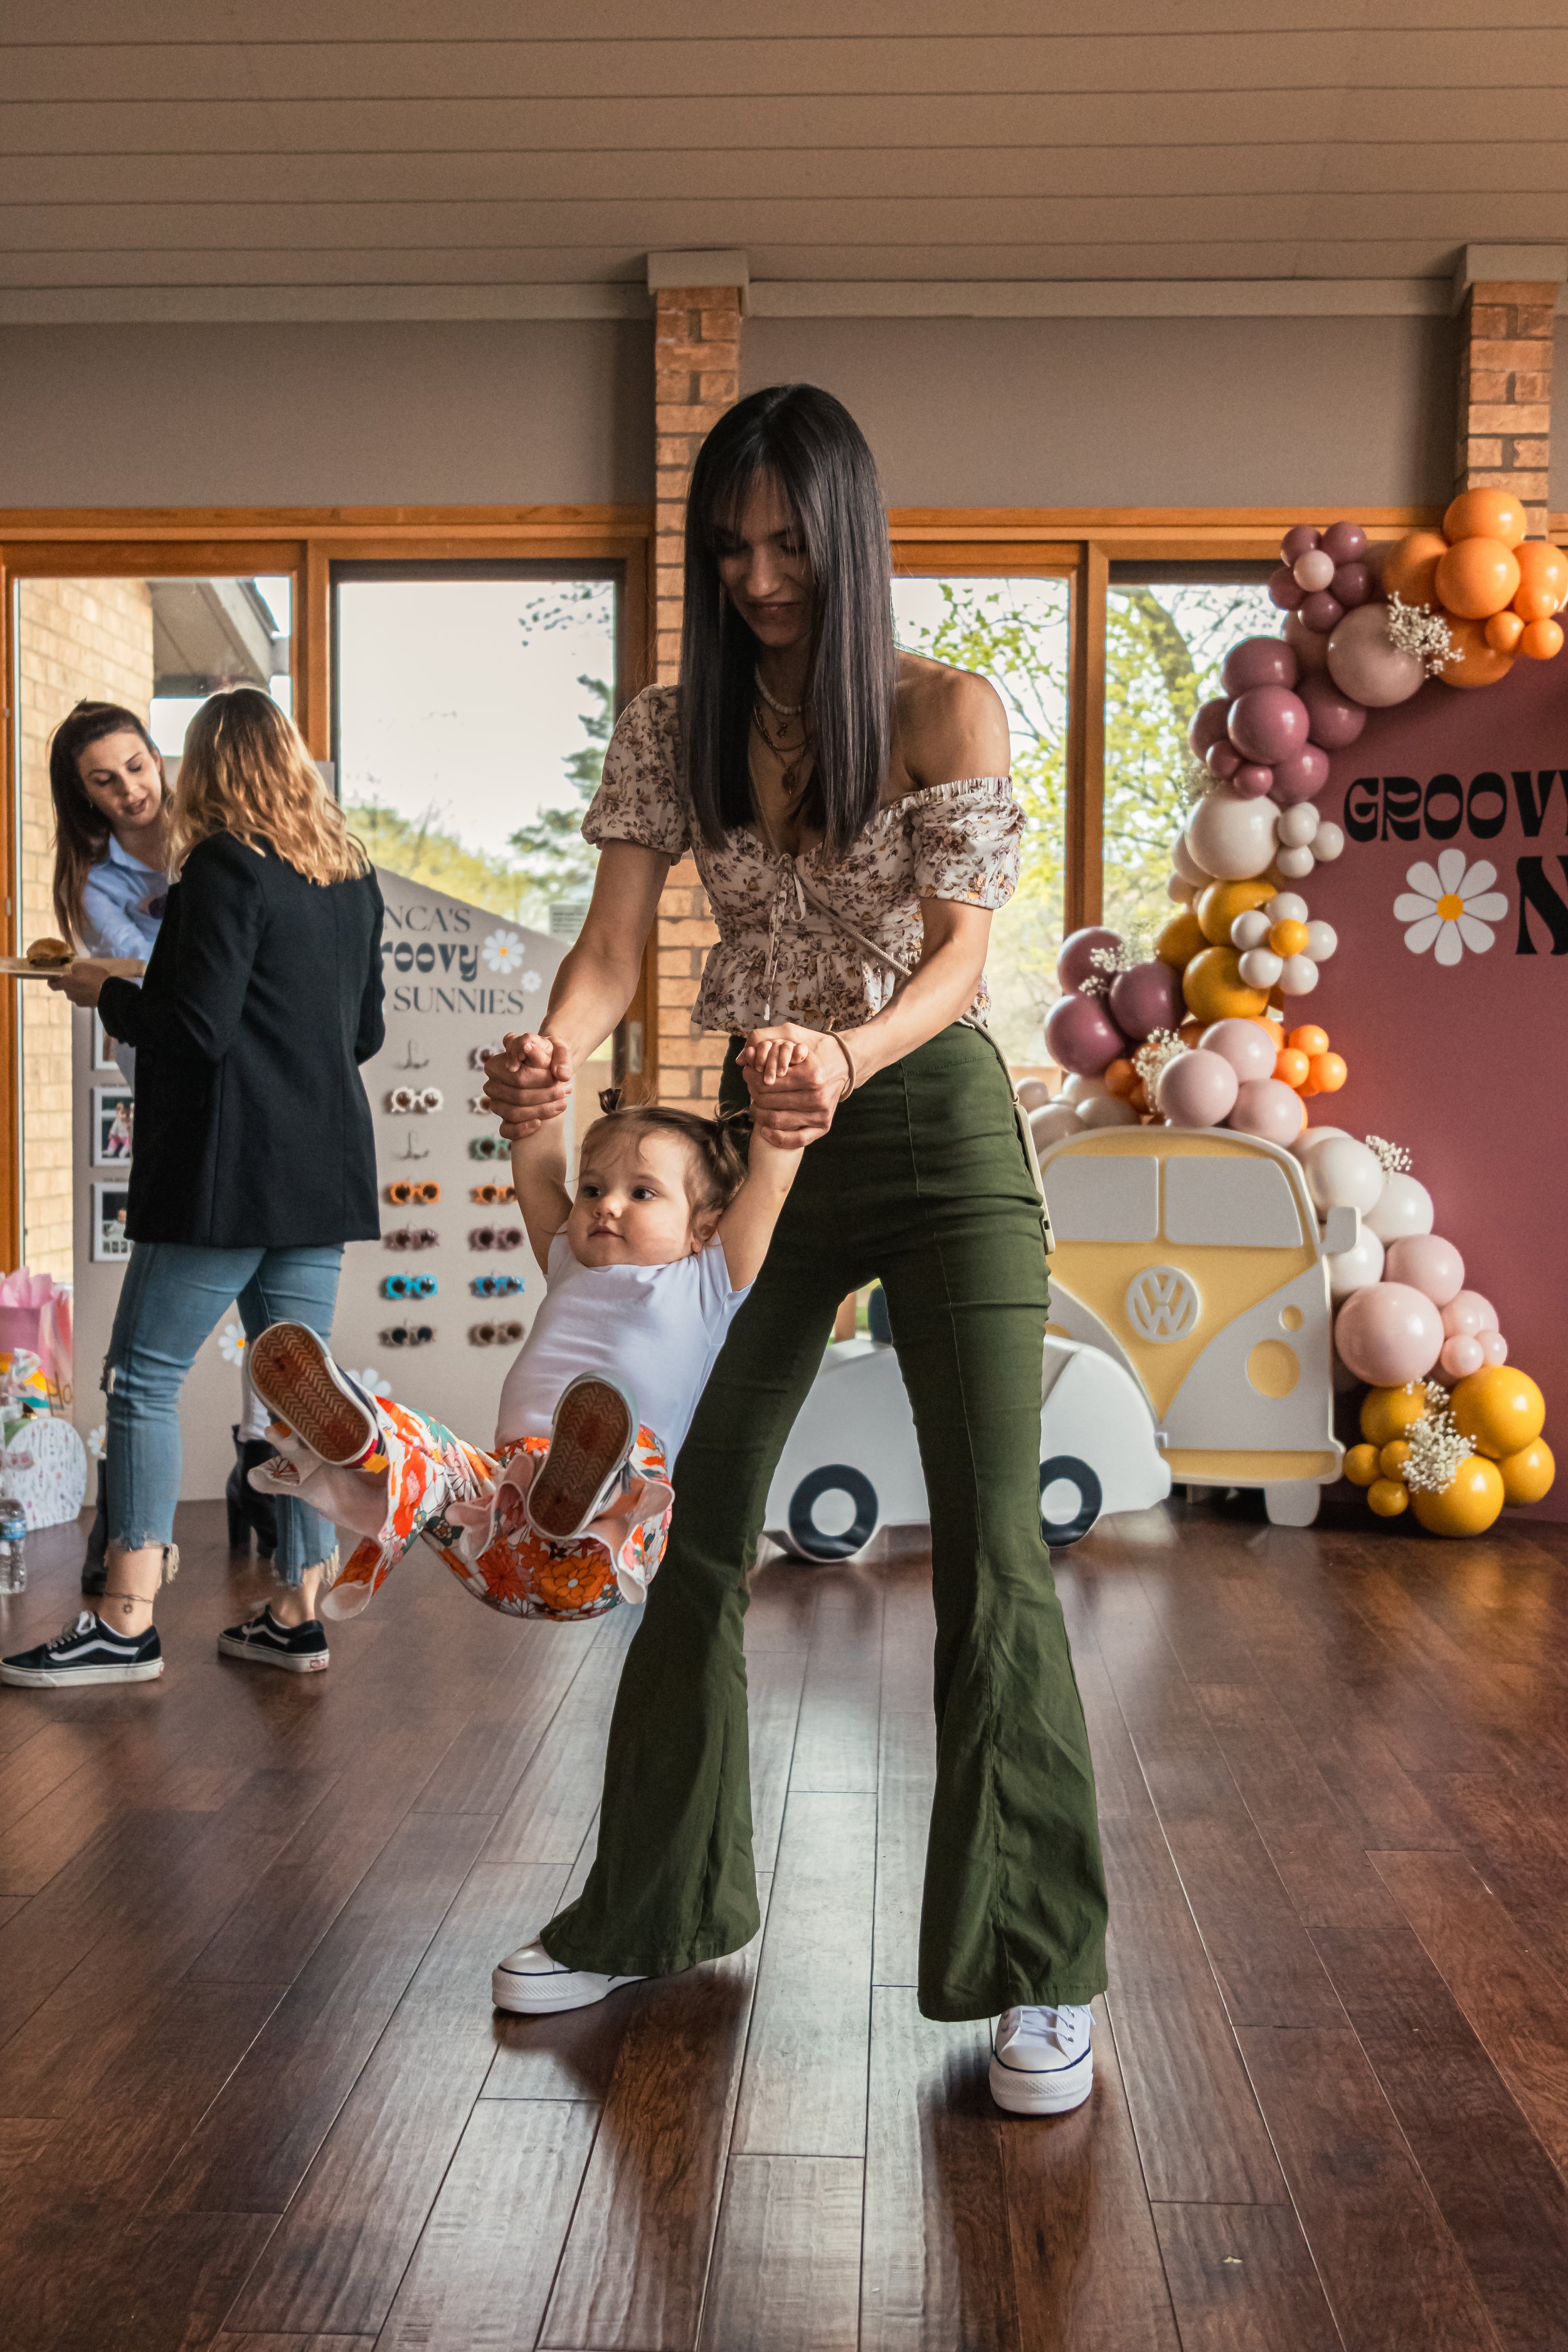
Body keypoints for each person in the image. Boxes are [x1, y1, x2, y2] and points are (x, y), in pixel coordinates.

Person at [479, 382, 1109, 2119]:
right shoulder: (671, 725)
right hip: (757, 1139)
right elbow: (613, 948)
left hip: (929, 1126)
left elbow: (964, 959)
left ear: (849, 535)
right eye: (729, 546)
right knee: (692, 1521)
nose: (757, 576)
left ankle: (1037, 1962)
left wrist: (843, 1051)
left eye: (787, 543)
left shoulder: (943, 707)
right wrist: (552, 1045)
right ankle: (649, 1904)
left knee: (992, 1546)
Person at [1, 686, 385, 1689]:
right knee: (299, 1392)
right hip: (321, 1172)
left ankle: (124, 1618)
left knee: (144, 1379)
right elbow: (365, 1034)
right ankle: (298, 1611)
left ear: (205, 762)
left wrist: (105, 991)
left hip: (223, 1167)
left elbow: (194, 1029)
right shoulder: (348, 871)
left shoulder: (221, 865)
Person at [236, 1098, 802, 1633]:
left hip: (608, 1553)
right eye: (592, 1189)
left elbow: (771, 1184)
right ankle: (369, 1441)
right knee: (435, 1456)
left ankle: (584, 1482)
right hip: (499, 1532)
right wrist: (544, 1075)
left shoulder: (709, 1279)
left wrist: (783, 1107)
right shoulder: (568, 1256)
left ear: (704, 1226)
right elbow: (536, 1158)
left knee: (622, 1451)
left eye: (642, 1193)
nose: (607, 1204)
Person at [47, 699, 281, 1583]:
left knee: (274, 1321)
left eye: (137, 767)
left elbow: (194, 976)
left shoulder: (223, 836)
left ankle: (256, 1464)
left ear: (161, 757)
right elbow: (156, 982)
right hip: (174, 1093)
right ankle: (130, 1525)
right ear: (86, 797)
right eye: (104, 782)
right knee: (150, 1343)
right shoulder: (96, 883)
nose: (130, 791)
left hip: (248, 1086)